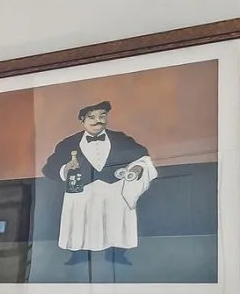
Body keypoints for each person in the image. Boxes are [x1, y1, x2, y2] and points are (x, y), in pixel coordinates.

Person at [41, 100, 157, 266]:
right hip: (82, 193)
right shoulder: (67, 144)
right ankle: (78, 255)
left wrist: (138, 168)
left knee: (116, 222)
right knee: (81, 224)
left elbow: (142, 157)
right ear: (82, 120)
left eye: (102, 116)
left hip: (114, 190)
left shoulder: (121, 138)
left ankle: (117, 254)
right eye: (92, 117)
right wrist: (65, 169)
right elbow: (49, 168)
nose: (98, 120)